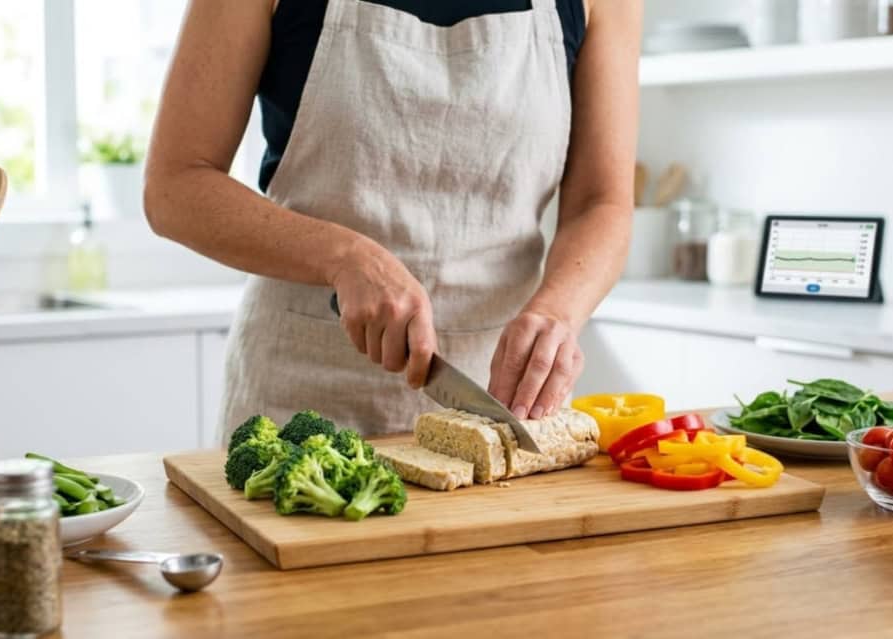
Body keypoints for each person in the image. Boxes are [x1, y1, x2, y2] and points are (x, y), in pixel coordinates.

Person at [144, 0, 640, 442]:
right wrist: (344, 256)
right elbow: (175, 185)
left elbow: (602, 201)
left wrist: (558, 312)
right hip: (301, 397)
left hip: (498, 399)